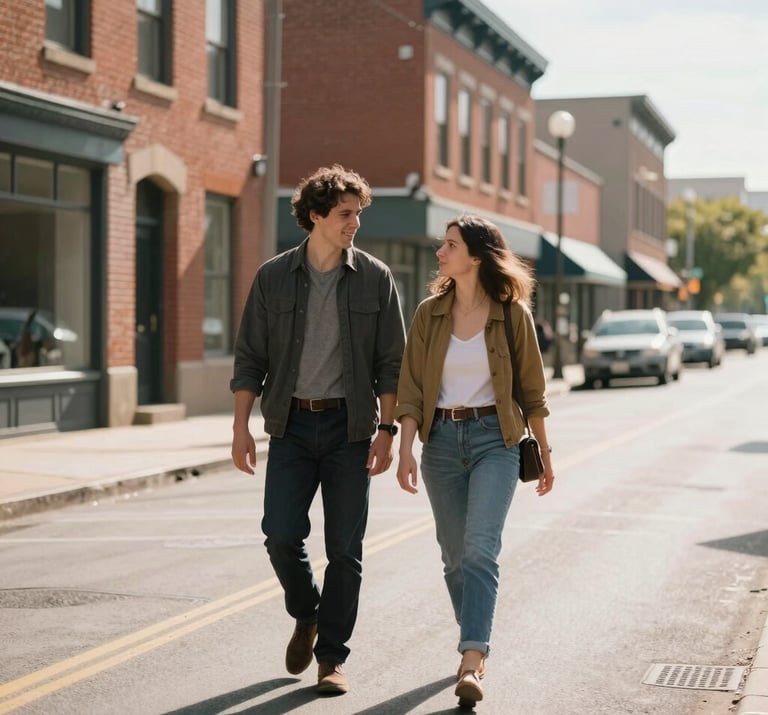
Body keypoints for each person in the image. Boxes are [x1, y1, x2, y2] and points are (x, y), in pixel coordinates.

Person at [230, 164, 406, 695]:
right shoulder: (273, 277)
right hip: (290, 426)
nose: (356, 223)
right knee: (280, 533)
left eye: (359, 214)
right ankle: (306, 613)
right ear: (315, 216)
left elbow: (391, 363)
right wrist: (240, 427)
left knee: (346, 550)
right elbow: (249, 358)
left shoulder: (375, 277)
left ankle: (332, 658)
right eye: (346, 214)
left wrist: (389, 430)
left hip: (351, 429)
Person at [394, 214, 555, 709]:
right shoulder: (428, 313)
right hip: (440, 441)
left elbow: (533, 391)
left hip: (496, 440)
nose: (440, 253)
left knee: (481, 549)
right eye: (443, 245)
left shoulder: (511, 315)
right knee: (454, 556)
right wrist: (405, 448)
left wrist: (545, 454)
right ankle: (474, 634)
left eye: (450, 245)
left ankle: (472, 657)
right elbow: (411, 388)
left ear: (476, 257)